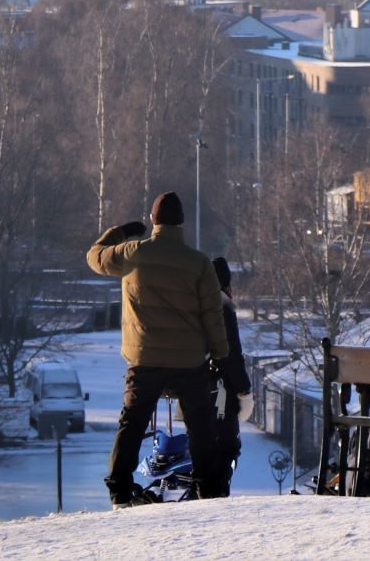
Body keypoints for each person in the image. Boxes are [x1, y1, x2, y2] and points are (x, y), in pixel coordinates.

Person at [87, 191, 230, 506]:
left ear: (153, 221)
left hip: (144, 358)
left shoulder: (133, 253)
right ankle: (209, 489)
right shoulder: (198, 263)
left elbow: (95, 256)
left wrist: (120, 233)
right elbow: (212, 314)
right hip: (189, 360)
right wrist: (220, 353)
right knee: (200, 425)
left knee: (132, 422)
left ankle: (119, 490)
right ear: (181, 224)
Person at [210, 256, 250, 488]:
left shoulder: (196, 304)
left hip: (195, 388)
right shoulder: (223, 308)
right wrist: (244, 389)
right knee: (226, 448)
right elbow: (231, 353)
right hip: (220, 392)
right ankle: (216, 494)